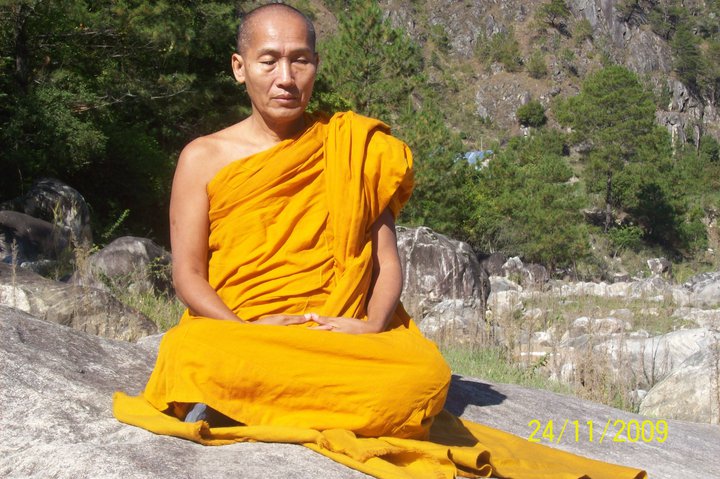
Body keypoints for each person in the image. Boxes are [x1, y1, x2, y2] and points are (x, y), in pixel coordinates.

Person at [114, 4, 646, 479]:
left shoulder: (354, 149)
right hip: (245, 331)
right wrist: (242, 328)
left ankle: (260, 401)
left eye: (301, 60)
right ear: (239, 67)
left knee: (424, 376)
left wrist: (370, 324)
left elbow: (387, 263)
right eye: (268, 60)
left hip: (339, 334)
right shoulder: (203, 157)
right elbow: (188, 275)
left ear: (316, 66)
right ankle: (306, 399)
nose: (286, 77)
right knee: (188, 351)